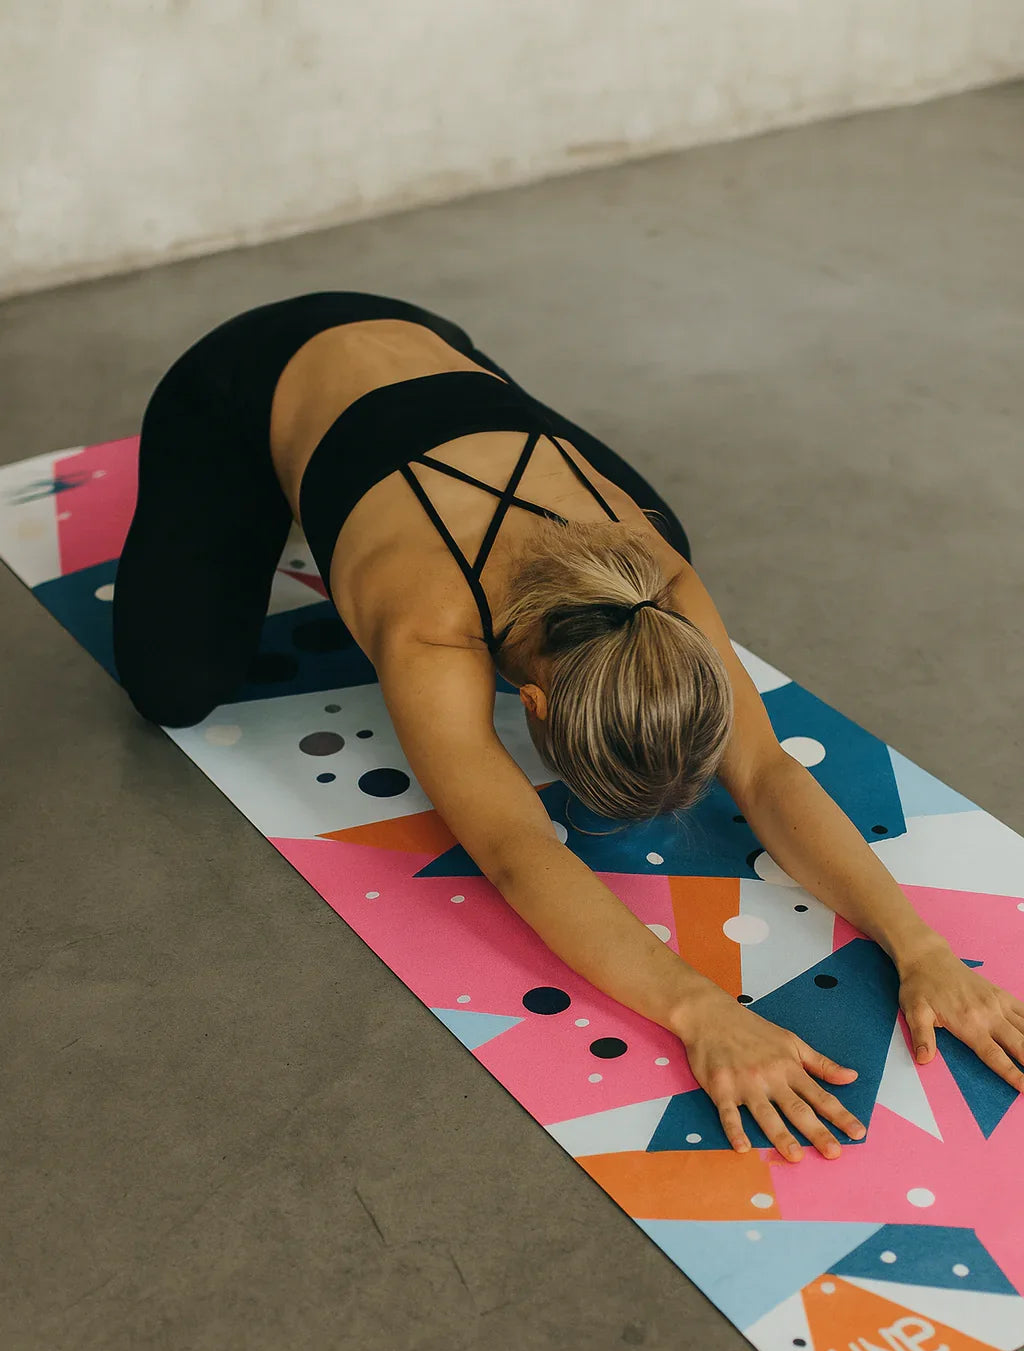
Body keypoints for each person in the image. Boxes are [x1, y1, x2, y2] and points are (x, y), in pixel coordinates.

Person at [112, 291, 1024, 1162]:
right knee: (173, 688)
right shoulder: (427, 622)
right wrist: (699, 1011)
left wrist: (924, 951)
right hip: (252, 371)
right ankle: (277, 485)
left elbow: (765, 770)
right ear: (532, 705)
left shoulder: (656, 574)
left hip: (427, 343)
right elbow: (517, 850)